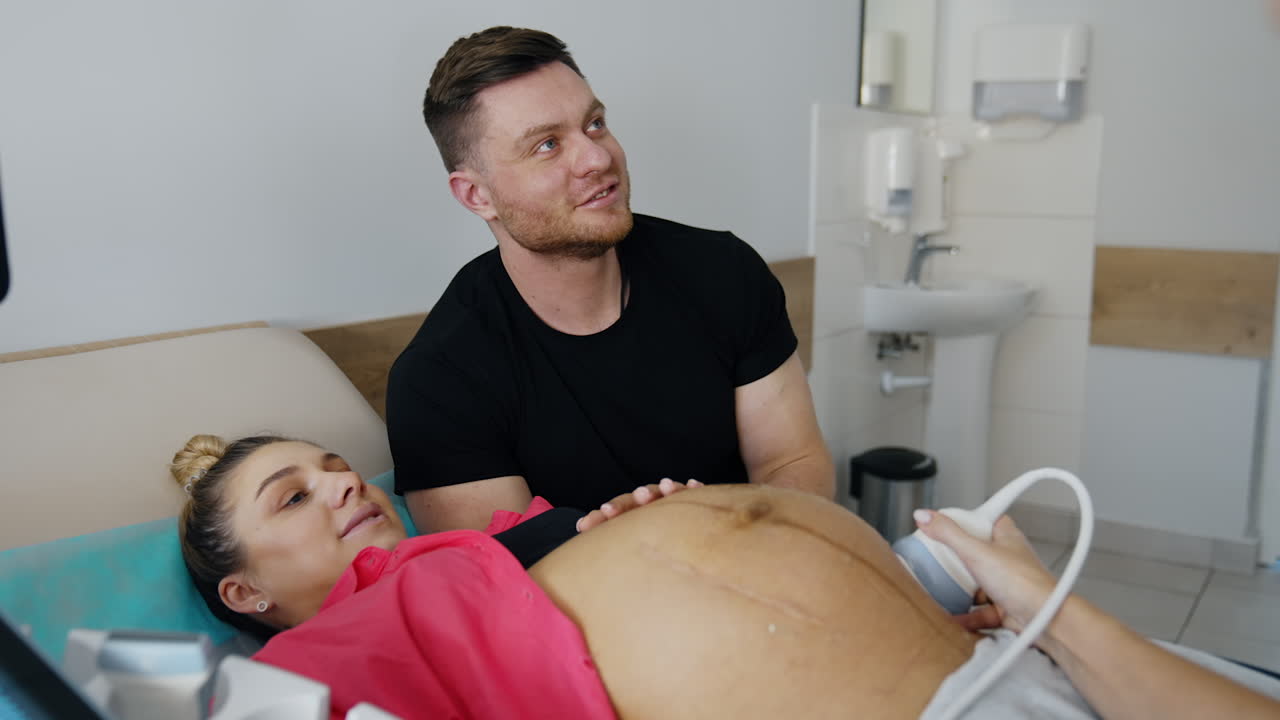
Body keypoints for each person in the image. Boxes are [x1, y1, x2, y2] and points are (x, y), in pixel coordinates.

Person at [172, 434, 1280, 720]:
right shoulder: (306, 661)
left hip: (980, 652)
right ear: (245, 596)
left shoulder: (466, 547)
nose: (337, 486)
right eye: (292, 500)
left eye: (331, 467)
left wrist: (614, 533)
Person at [386, 26, 835, 533]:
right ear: (476, 196)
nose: (598, 158)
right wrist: (636, 544)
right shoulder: (439, 381)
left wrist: (729, 540)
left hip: (761, 577)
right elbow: (501, 584)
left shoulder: (724, 271)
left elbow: (791, 464)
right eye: (548, 145)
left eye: (595, 124)